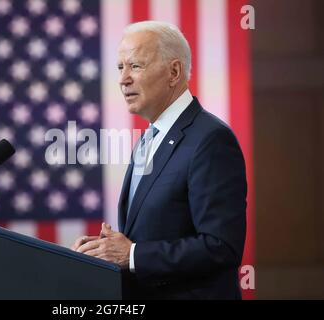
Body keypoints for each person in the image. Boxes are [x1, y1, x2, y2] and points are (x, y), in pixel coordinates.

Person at [71, 21, 247, 299]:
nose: (123, 79)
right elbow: (152, 232)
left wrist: (132, 254)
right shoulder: (150, 138)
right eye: (120, 68)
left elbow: (221, 247)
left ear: (174, 72)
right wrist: (105, 250)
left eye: (135, 66)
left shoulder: (210, 139)